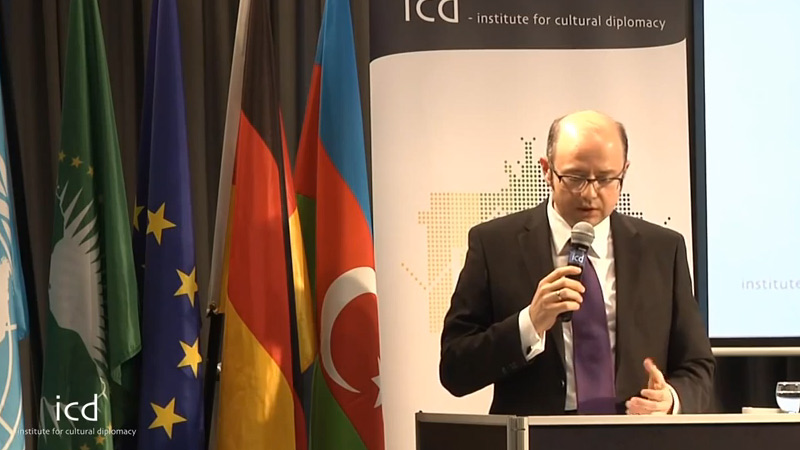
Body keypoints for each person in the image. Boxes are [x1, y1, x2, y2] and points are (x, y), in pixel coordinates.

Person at [439, 110, 714, 415]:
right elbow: (454, 369)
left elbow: (697, 366)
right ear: (547, 170)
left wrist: (671, 399)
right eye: (575, 178)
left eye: (606, 179)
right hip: (534, 434)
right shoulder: (494, 245)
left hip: (634, 431)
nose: (590, 193)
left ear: (624, 171)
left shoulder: (662, 249)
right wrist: (530, 323)